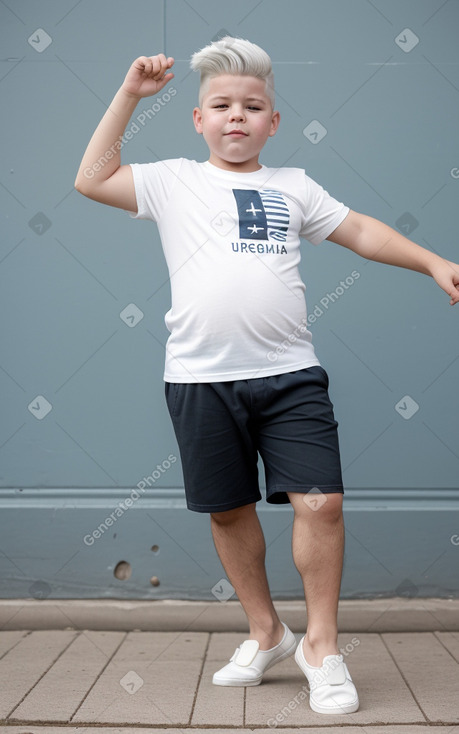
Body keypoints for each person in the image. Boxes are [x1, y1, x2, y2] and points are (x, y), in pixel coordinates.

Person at [74, 36, 459, 716]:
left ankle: (321, 646)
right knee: (228, 508)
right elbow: (92, 177)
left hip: (290, 378)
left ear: (271, 123)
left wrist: (432, 262)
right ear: (198, 119)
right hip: (198, 380)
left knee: (322, 503)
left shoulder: (294, 187)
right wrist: (129, 96)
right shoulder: (172, 180)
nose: (235, 116)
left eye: (252, 106)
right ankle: (266, 632)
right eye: (220, 104)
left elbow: (363, 231)